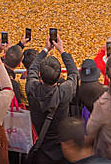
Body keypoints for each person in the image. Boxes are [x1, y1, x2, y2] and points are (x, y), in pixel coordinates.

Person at [26, 36, 79, 164]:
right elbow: (74, 74)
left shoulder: (32, 89)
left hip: (40, 146)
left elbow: (32, 69)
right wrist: (62, 50)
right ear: (59, 76)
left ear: (40, 76)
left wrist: (45, 50)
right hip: (60, 148)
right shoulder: (64, 91)